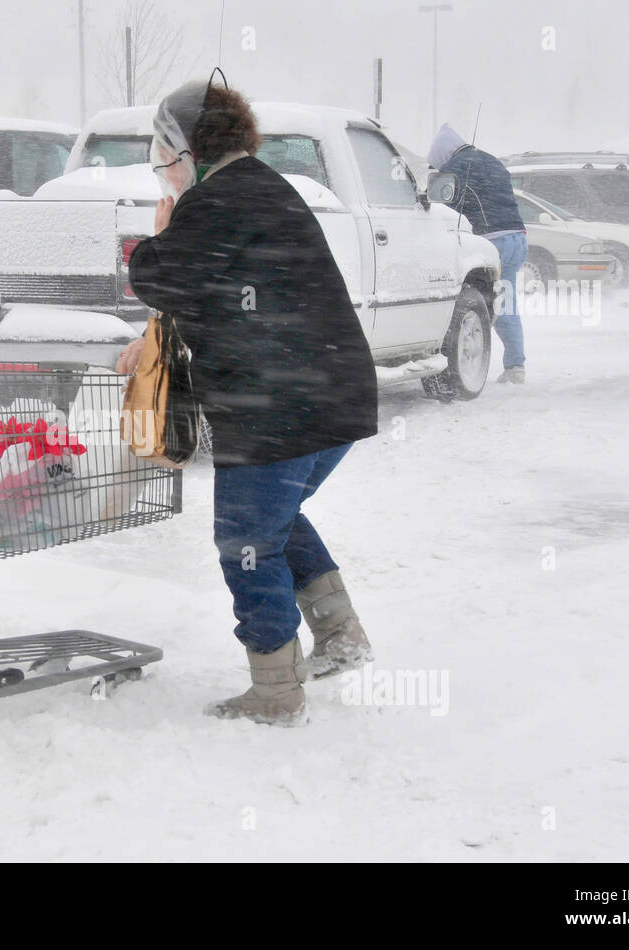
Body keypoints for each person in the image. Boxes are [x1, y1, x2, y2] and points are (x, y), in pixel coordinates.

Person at [115, 77, 378, 725]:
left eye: (162, 160)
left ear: (185, 151)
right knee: (276, 519)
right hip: (331, 394)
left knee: (247, 539)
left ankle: (276, 688)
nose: (163, 174)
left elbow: (156, 273)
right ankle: (339, 630)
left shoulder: (218, 200)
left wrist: (162, 226)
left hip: (276, 408)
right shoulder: (263, 184)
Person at [428, 123, 528, 383]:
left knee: (477, 305)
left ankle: (470, 360)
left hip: (492, 241)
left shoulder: (454, 169)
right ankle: (515, 366)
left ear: (442, 154)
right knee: (506, 302)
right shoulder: (492, 161)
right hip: (518, 237)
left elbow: (437, 207)